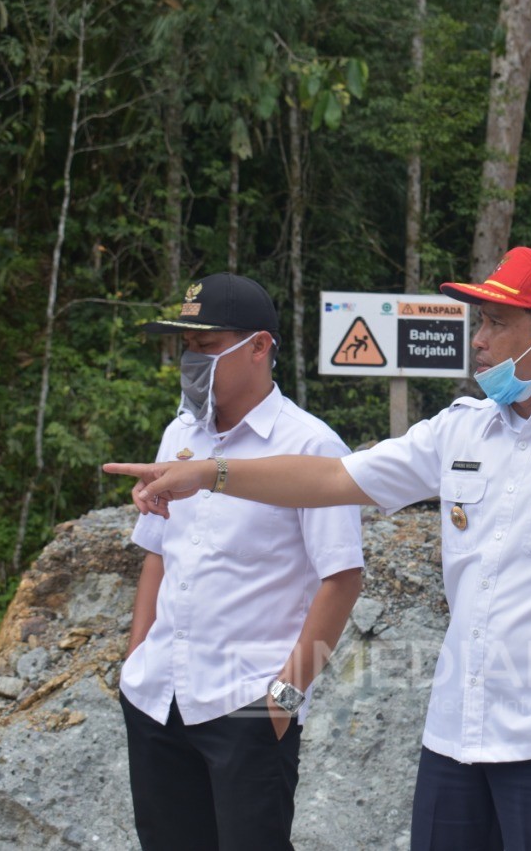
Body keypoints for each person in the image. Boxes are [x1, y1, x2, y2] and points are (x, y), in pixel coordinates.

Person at [106, 247, 531, 851]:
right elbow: (332, 479)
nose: (479, 339)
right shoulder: (460, 429)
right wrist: (212, 473)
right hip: (456, 735)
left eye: (496, 323)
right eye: (481, 321)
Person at [117, 272, 364, 851]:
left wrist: (283, 701)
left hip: (246, 707)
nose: (191, 361)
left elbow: (342, 579)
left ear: (259, 347)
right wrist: (135, 658)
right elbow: (157, 552)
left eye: (205, 347)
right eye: (186, 347)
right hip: (158, 697)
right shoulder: (181, 433)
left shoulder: (310, 448)